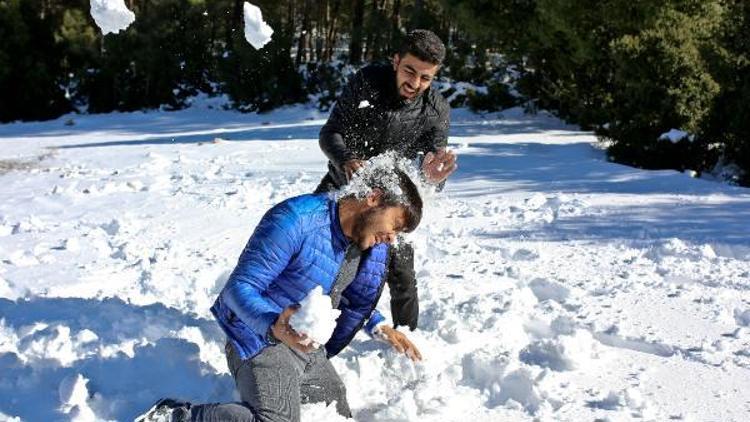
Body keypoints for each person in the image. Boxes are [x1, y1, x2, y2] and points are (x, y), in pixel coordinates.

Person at [138, 169, 424, 422]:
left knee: (334, 413)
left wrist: (377, 324)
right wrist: (274, 324)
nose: (392, 238)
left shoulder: (361, 240)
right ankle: (178, 415)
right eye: (394, 226)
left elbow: (337, 289)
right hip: (258, 335)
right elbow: (238, 288)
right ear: (373, 198)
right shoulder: (295, 219)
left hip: (304, 344)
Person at [315, 29, 457, 332]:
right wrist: (346, 160)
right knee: (312, 249)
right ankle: (289, 319)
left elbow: (432, 170)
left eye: (426, 78)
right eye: (409, 71)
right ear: (396, 61)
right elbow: (330, 133)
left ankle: (408, 339)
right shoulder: (367, 81)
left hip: (393, 199)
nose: (415, 83)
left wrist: (433, 180)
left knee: (403, 274)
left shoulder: (436, 109)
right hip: (345, 183)